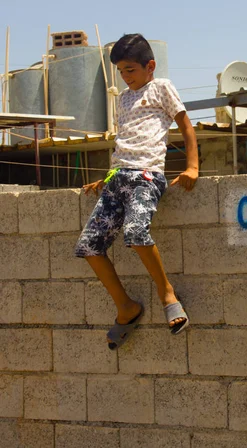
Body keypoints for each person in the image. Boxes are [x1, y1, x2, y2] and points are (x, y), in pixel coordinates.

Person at [74, 33, 198, 350]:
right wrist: (107, 178)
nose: (126, 77)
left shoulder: (162, 88)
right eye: (121, 72)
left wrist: (192, 166)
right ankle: (126, 308)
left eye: (131, 70)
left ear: (150, 66)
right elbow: (124, 143)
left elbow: (186, 125)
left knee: (136, 231)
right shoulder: (123, 99)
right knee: (89, 245)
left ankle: (167, 293)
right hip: (119, 178)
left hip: (147, 176)